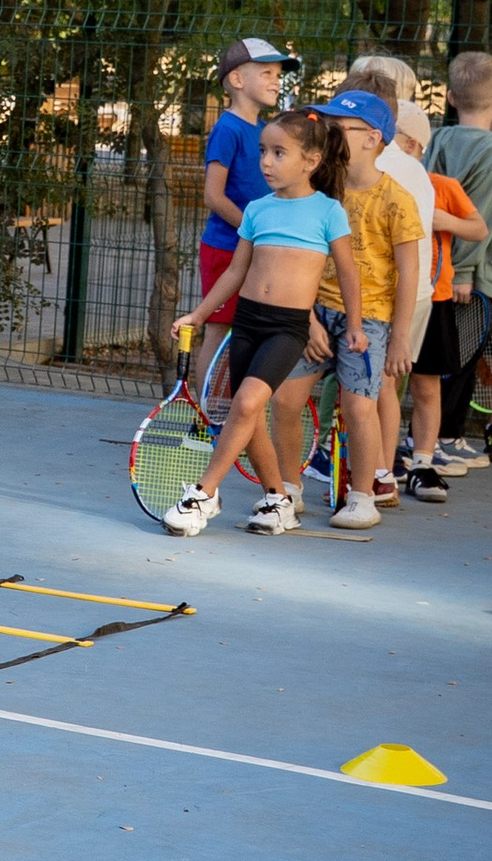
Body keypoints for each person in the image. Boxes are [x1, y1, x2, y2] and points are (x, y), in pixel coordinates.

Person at [165, 110, 362, 536]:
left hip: (286, 328)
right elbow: (235, 272)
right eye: (263, 152)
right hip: (248, 322)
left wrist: (355, 325)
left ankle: (204, 493)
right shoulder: (257, 209)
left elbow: (348, 273)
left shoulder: (328, 211)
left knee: (248, 403)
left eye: (278, 153)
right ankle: (277, 500)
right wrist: (198, 315)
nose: (266, 162)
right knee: (248, 415)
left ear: (311, 161)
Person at [310, 85, 421, 528]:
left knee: (361, 406)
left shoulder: (397, 199)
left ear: (372, 138)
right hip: (317, 311)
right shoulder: (320, 190)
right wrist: (307, 316)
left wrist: (400, 336)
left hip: (371, 317)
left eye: (337, 128)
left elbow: (410, 273)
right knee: (285, 396)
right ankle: (284, 491)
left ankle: (364, 495)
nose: (328, 134)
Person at [195, 38, 291, 412]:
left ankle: (235, 413)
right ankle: (207, 419)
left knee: (249, 332)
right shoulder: (228, 129)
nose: (276, 81)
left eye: (278, 74)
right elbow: (213, 196)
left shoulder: (265, 131)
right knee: (218, 330)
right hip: (225, 248)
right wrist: (253, 229)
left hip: (257, 250)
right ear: (237, 79)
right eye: (266, 73)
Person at [389, 96, 478, 502]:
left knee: (426, 386)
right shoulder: (377, 182)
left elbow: (479, 228)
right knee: (386, 383)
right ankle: (385, 459)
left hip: (434, 298)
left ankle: (423, 463)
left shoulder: (440, 185)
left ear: (411, 144)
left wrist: (445, 219)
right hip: (389, 300)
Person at [432, 51, 492, 467]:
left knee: (449, 359)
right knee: (458, 360)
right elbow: (482, 218)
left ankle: (440, 438)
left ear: (449, 97)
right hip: (464, 277)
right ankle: (444, 438)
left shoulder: (438, 138)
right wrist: (462, 271)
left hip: (438, 266)